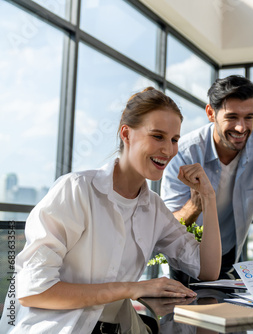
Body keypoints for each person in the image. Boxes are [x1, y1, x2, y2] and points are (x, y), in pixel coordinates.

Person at [0, 87, 221, 333]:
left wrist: (208, 197)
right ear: (126, 134)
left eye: (174, 139)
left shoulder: (154, 208)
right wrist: (133, 288)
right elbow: (34, 291)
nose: (168, 150)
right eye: (157, 136)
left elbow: (207, 269)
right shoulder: (77, 190)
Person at [162, 75, 253, 280]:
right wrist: (195, 205)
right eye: (232, 117)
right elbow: (166, 228)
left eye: (249, 117)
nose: (241, 128)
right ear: (211, 113)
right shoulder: (183, 153)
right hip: (183, 258)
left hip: (229, 255)